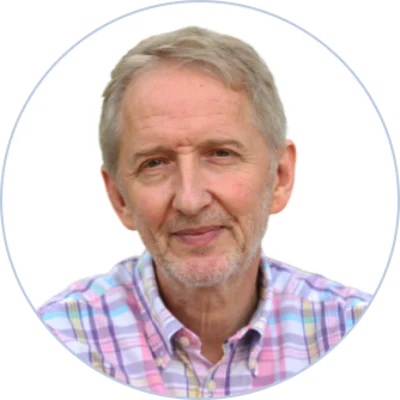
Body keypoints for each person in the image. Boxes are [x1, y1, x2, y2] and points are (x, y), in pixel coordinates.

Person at [38, 26, 372, 397]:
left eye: (221, 154)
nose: (190, 199)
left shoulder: (346, 326)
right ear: (119, 197)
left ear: (280, 177)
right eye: (155, 163)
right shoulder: (64, 336)